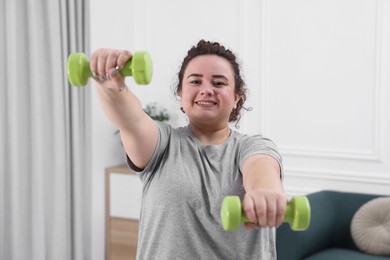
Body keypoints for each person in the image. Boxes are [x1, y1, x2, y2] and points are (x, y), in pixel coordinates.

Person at [91, 40, 287, 259]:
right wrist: (110, 86)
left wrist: (264, 193)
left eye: (219, 83)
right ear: (181, 94)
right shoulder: (162, 144)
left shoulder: (253, 146)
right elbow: (131, 119)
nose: (206, 90)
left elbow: (262, 168)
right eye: (195, 81)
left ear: (236, 98)